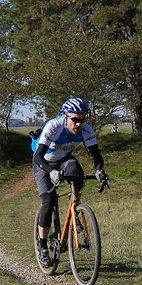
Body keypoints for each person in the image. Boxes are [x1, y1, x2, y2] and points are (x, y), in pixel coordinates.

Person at [32, 97, 108, 268]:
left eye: (83, 119)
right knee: (48, 202)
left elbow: (96, 155)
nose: (79, 124)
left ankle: (75, 209)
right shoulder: (54, 127)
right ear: (65, 116)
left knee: (76, 172)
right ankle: (43, 246)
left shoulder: (86, 130)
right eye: (75, 119)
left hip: (64, 160)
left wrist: (99, 171)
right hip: (44, 163)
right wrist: (51, 172)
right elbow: (38, 156)